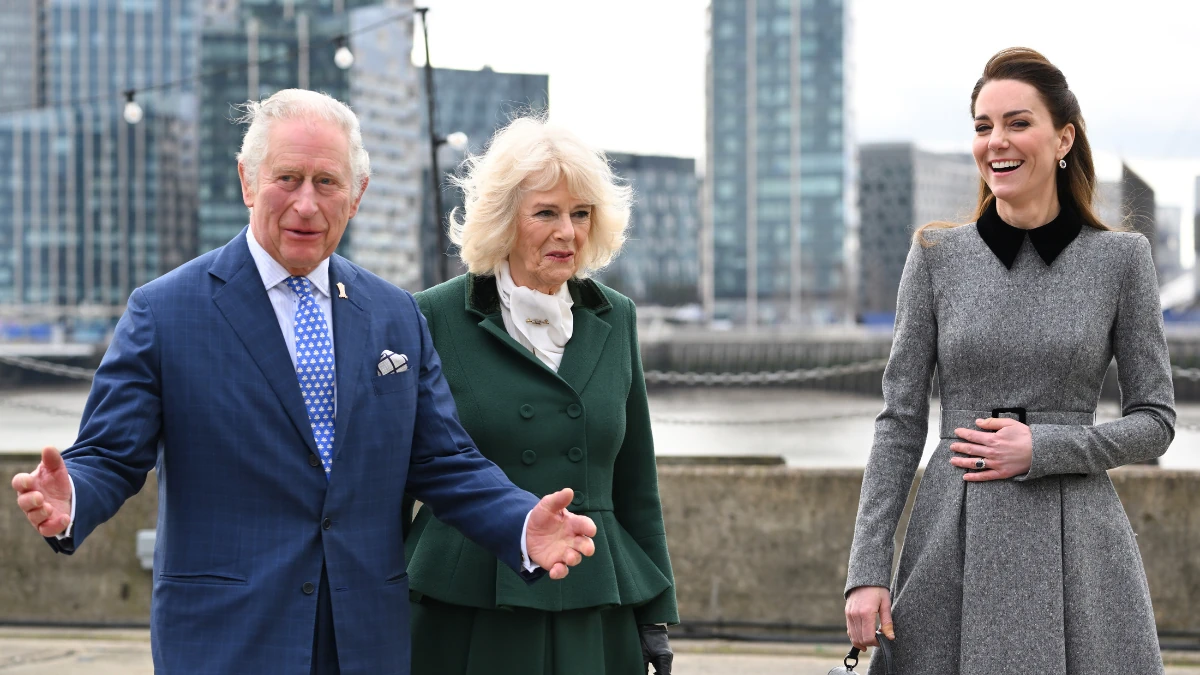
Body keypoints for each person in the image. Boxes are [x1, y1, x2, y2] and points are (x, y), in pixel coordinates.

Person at [9, 89, 598, 675]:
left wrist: (522, 523)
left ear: (357, 194)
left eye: (327, 182)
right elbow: (110, 454)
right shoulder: (164, 312)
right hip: (225, 641)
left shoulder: (395, 315)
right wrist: (73, 494)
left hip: (363, 641)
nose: (307, 204)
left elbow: (445, 461)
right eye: (287, 179)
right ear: (247, 181)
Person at [844, 48, 1175, 674]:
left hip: (1079, 543)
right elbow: (899, 423)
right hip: (952, 537)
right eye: (983, 125)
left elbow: (1156, 421)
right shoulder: (936, 256)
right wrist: (867, 570)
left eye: (1017, 123)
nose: (996, 141)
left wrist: (1043, 446)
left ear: (1063, 139)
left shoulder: (1122, 260)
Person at [404, 117, 677, 675]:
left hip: (593, 597)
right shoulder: (432, 316)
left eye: (581, 214)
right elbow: (397, 478)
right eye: (546, 213)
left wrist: (655, 612)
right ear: (505, 219)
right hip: (468, 600)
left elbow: (635, 480)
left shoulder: (616, 317)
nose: (568, 232)